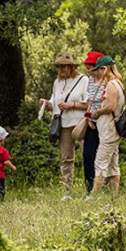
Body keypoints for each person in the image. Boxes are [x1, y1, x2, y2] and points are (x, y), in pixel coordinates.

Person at [39, 53, 89, 200]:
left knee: (87, 155)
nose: (61, 69)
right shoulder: (57, 82)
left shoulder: (83, 80)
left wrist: (71, 105)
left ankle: (91, 188)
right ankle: (67, 191)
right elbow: (54, 103)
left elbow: (88, 103)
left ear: (72, 67)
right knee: (66, 158)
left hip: (80, 123)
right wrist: (46, 104)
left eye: (64, 66)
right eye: (59, 66)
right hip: (63, 124)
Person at [84, 56, 125, 197]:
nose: (99, 73)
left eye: (100, 69)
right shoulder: (118, 83)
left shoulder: (111, 84)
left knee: (100, 163)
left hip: (109, 129)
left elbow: (111, 106)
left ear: (105, 68)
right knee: (113, 164)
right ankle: (114, 196)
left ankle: (93, 196)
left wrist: (97, 111)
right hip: (111, 129)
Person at [81, 51, 105, 194]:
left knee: (102, 155)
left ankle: (102, 185)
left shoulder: (108, 81)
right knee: (87, 154)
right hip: (92, 121)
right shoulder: (90, 81)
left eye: (90, 68)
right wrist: (88, 117)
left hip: (104, 121)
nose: (88, 71)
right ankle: (89, 187)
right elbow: (89, 100)